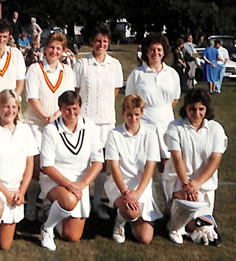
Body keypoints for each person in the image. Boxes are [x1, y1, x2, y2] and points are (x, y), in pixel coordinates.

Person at [0, 89, 38, 261]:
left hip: (15, 190)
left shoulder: (25, 131)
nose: (9, 111)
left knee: (5, 244)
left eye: (13, 107)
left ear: (18, 109)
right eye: (5, 107)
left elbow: (30, 165)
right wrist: (5, 192)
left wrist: (21, 192)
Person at [39, 91, 104, 251]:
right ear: (60, 109)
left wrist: (82, 184)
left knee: (72, 236)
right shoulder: (50, 130)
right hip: (55, 179)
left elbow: (98, 162)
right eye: (67, 109)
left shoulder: (90, 126)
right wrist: (69, 185)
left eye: (75, 108)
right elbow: (46, 166)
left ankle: (51, 211)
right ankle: (47, 228)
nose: (72, 113)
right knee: (68, 200)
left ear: (80, 107)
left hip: (79, 183)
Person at [125, 33, 181, 211]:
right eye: (152, 50)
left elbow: (174, 99)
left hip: (166, 122)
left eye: (159, 49)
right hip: (144, 123)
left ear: (164, 52)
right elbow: (131, 100)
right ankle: (146, 207)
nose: (155, 53)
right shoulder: (137, 74)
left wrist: (162, 112)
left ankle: (169, 206)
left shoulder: (172, 74)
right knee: (145, 164)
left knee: (166, 165)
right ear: (146, 52)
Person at [165, 88, 227, 246]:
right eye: (192, 109)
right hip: (180, 183)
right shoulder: (175, 127)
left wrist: (197, 184)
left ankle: (198, 226)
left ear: (207, 109)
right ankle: (174, 227)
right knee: (187, 208)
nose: (196, 113)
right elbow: (177, 158)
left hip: (204, 186)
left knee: (204, 227)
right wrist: (187, 184)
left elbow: (215, 159)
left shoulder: (216, 129)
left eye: (201, 109)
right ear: (186, 108)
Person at [74, 24, 123, 220]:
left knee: (101, 164)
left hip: (107, 123)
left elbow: (115, 92)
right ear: (92, 42)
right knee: (83, 161)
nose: (101, 44)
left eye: (104, 41)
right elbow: (75, 92)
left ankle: (96, 205)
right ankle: (80, 202)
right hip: (85, 122)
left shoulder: (115, 65)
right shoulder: (82, 64)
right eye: (97, 41)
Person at [24, 31, 75, 221]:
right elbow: (31, 98)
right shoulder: (35, 69)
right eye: (51, 47)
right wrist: (47, 116)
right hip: (35, 125)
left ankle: (46, 204)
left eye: (58, 48)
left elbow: (69, 98)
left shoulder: (67, 71)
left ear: (63, 51)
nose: (54, 51)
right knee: (36, 168)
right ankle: (30, 204)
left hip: (57, 125)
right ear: (45, 48)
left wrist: (56, 116)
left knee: (52, 167)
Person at [104, 94, 163, 244]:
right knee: (131, 211)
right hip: (119, 185)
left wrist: (137, 192)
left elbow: (150, 166)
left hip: (142, 187)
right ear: (123, 113)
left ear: (142, 113)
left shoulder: (150, 134)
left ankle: (131, 217)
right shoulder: (114, 134)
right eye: (129, 115)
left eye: (137, 114)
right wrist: (125, 192)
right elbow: (114, 167)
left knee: (145, 238)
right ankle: (120, 221)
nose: (133, 118)